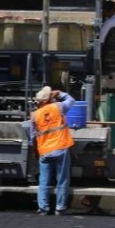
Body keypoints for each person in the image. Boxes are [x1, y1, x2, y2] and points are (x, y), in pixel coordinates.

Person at [31, 86, 75, 215]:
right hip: (60, 148)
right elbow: (71, 100)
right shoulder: (58, 107)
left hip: (44, 150)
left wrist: (35, 151)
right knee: (62, 179)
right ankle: (60, 207)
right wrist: (60, 93)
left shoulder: (34, 115)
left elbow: (32, 136)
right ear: (50, 98)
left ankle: (43, 208)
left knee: (44, 180)